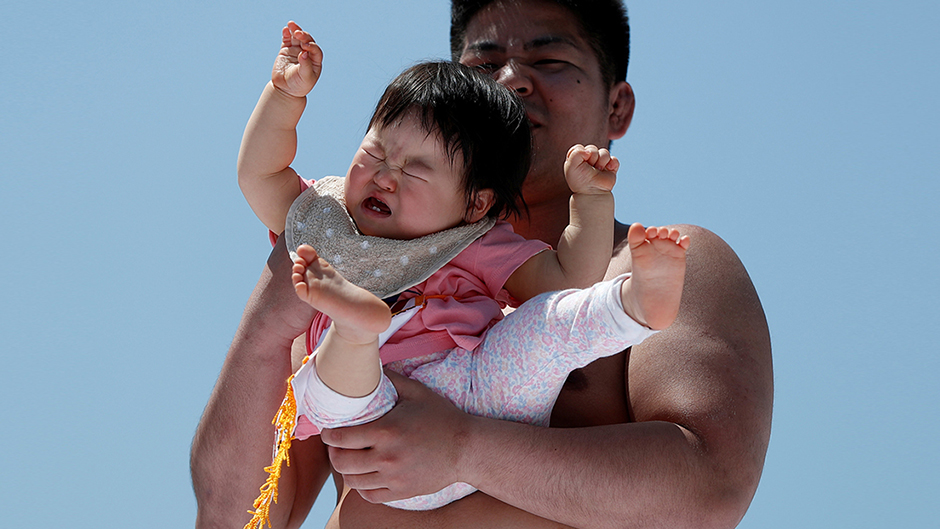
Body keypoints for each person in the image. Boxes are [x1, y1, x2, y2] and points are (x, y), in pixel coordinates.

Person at [191, 1, 773, 528]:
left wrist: (464, 447)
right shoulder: (347, 286)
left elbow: (708, 489)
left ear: (616, 104)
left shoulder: (659, 263)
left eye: (548, 59)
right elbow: (233, 520)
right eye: (484, 62)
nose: (513, 79)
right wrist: (272, 320)